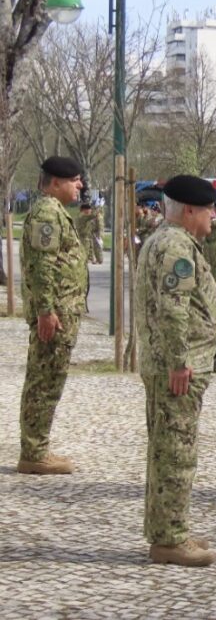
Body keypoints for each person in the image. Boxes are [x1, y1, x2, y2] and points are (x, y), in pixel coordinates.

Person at [136, 174, 216, 567]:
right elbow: (174, 310)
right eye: (209, 210)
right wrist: (179, 362)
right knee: (176, 454)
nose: (213, 217)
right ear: (189, 211)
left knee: (166, 450)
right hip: (176, 368)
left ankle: (168, 529)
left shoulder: (166, 239)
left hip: (168, 364)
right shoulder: (176, 247)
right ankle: (169, 539)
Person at [16, 156, 88, 475]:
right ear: (55, 183)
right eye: (74, 180)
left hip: (59, 312)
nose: (80, 185)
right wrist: (46, 311)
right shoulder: (47, 212)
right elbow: (42, 266)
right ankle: (34, 452)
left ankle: (37, 447)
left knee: (47, 380)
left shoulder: (54, 210)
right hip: (54, 315)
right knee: (44, 383)